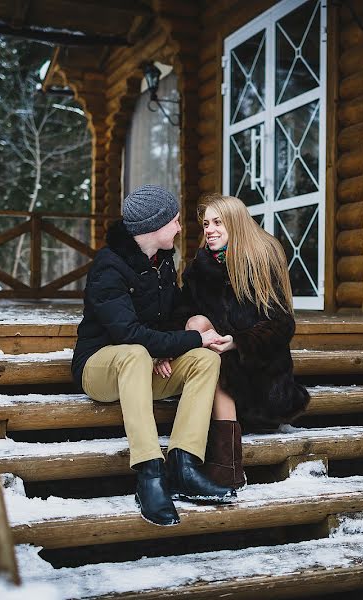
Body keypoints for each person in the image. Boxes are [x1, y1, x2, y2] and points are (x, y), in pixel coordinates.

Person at [71, 185, 236, 527]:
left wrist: (170, 345)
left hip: (144, 367)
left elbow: (173, 313)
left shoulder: (161, 262)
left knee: (206, 359)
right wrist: (172, 343)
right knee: (134, 352)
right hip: (100, 367)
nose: (179, 228)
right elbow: (128, 335)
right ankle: (149, 473)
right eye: (174, 221)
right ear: (153, 227)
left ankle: (184, 464)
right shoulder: (109, 267)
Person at [180, 194, 311, 489]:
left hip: (261, 382)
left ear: (236, 224)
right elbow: (182, 313)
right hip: (221, 364)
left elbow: (282, 324)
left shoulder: (260, 259)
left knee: (215, 354)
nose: (209, 230)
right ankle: (225, 466)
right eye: (205, 224)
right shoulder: (199, 269)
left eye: (217, 222)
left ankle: (224, 465)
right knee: (197, 325)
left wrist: (238, 342)